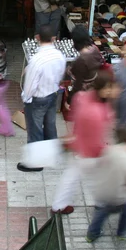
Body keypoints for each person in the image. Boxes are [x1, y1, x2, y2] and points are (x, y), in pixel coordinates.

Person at [51, 70, 116, 215]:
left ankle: (59, 205)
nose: (112, 91)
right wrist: (105, 151)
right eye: (109, 88)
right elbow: (96, 138)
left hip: (78, 145)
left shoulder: (82, 97)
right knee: (97, 178)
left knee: (71, 177)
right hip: (90, 151)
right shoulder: (96, 112)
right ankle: (102, 202)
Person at [18, 24, 66, 172]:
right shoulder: (60, 55)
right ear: (54, 38)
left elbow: (30, 86)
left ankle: (36, 163)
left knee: (35, 129)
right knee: (50, 125)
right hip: (53, 94)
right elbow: (60, 75)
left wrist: (26, 98)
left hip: (38, 99)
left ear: (37, 37)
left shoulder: (37, 60)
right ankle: (52, 156)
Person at [85, 125, 126, 243]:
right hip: (118, 196)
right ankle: (123, 232)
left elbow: (99, 164)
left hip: (102, 189)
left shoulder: (112, 149)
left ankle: (92, 234)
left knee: (101, 212)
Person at [64, 25, 106, 111]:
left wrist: (69, 101)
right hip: (95, 89)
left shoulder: (81, 60)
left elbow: (77, 85)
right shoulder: (95, 49)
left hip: (85, 94)